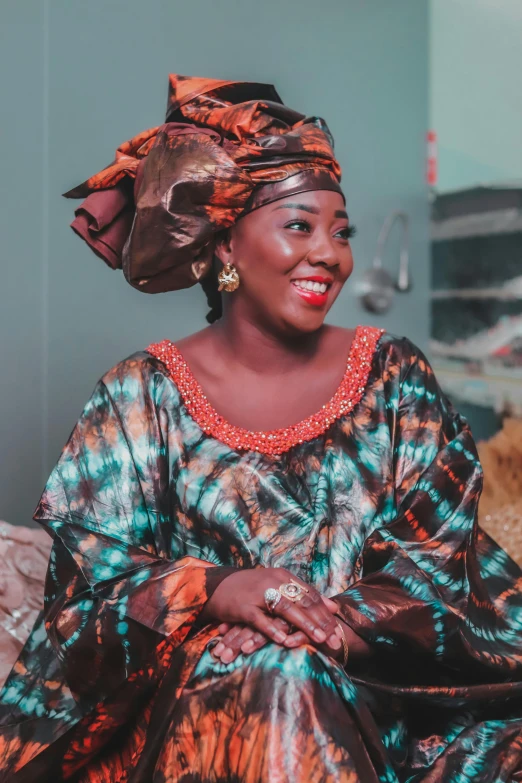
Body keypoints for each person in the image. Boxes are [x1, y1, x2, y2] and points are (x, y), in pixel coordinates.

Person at [1, 74, 522, 783]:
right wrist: (217, 589)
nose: (330, 254)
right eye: (299, 225)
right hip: (201, 715)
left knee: (291, 666)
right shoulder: (139, 395)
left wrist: (322, 626)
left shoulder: (394, 378)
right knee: (278, 676)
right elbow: (85, 607)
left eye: (340, 231)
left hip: (385, 705)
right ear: (224, 246)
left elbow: (440, 559)